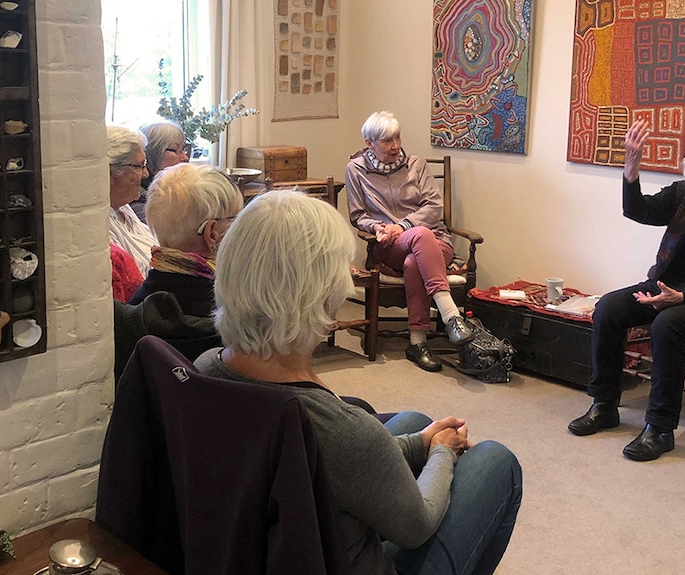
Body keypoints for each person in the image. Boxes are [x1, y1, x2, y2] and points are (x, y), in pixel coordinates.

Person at [195, 189, 522, 574]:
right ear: (325, 294)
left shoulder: (205, 368)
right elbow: (416, 526)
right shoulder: (334, 428)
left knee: (415, 421)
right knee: (496, 461)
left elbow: (341, 460)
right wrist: (442, 453)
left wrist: (420, 443)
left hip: (261, 549)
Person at [568, 119, 685, 461]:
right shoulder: (681, 194)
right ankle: (604, 404)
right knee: (608, 309)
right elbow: (637, 210)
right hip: (663, 285)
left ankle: (660, 428)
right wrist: (631, 172)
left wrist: (682, 298)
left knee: (667, 324)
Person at [345, 110, 473, 372]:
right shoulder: (355, 169)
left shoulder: (417, 164)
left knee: (416, 259)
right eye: (386, 141)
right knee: (419, 237)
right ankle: (451, 317)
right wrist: (377, 226)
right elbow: (358, 215)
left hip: (434, 241)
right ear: (369, 143)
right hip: (389, 245)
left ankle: (417, 342)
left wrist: (402, 225)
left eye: (397, 138)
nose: (395, 146)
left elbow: (433, 206)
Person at [129, 163, 243, 315]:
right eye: (236, 220)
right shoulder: (229, 311)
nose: (241, 230)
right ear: (212, 234)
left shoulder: (140, 302)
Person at [107, 125, 157, 277]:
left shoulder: (123, 208)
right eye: (139, 166)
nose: (145, 173)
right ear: (110, 172)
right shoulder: (100, 226)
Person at [131, 120, 191, 222]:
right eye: (175, 150)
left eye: (184, 149)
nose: (185, 157)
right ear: (152, 152)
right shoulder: (137, 202)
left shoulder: (175, 187)